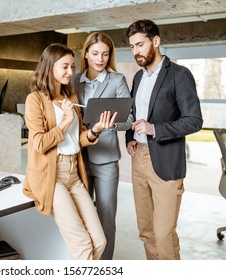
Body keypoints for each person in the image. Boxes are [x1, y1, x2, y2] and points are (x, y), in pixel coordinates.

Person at [23, 43, 117, 260]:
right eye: (64, 67)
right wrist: (65, 121)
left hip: (74, 175)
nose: (70, 72)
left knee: (100, 240)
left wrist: (95, 130)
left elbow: (80, 138)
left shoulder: (71, 99)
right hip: (51, 177)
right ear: (49, 67)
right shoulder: (35, 99)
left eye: (72, 67)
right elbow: (39, 143)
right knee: (82, 245)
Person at [125, 19, 203, 259]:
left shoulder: (179, 74)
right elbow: (134, 113)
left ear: (156, 41)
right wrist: (130, 136)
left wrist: (154, 129)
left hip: (166, 162)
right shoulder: (138, 77)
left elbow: (194, 120)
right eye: (132, 46)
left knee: (163, 233)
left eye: (140, 44)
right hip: (138, 157)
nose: (136, 51)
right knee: (146, 232)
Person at [71, 31, 133, 260]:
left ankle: (104, 267)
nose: (100, 59)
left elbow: (128, 120)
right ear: (86, 53)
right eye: (95, 53)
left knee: (106, 219)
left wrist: (109, 124)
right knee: (80, 218)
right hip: (77, 158)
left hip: (106, 159)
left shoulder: (116, 80)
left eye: (105, 54)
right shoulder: (74, 80)